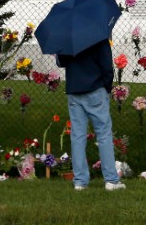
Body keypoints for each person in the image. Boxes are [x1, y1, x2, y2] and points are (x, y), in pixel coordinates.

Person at [57, 38, 125, 191]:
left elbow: (61, 62)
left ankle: (80, 181)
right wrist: (106, 87)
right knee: (104, 134)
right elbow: (107, 66)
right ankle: (111, 181)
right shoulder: (98, 36)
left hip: (74, 89)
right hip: (95, 89)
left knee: (78, 136)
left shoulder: (66, 36)